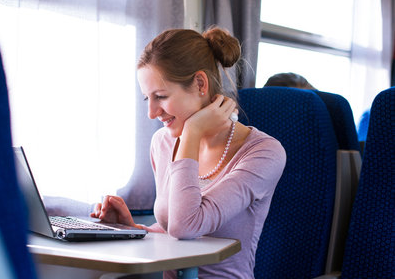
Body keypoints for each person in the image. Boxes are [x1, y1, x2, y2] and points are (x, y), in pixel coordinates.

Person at [91, 27, 286, 279]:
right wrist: (133, 229)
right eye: (146, 99)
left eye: (160, 96)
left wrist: (192, 132)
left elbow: (187, 226)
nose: (151, 113)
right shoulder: (161, 143)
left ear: (200, 84)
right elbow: (175, 236)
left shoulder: (264, 153)